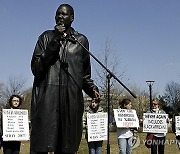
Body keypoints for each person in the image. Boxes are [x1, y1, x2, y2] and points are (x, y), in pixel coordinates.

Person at [30, 3, 100, 154]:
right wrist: (55, 41)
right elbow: (36, 68)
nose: (60, 17)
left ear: (72, 18)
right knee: (43, 146)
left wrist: (92, 89)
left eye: (64, 14)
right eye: (58, 14)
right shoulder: (46, 37)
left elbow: (85, 75)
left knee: (67, 147)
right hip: (48, 99)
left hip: (71, 101)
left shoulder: (81, 41)